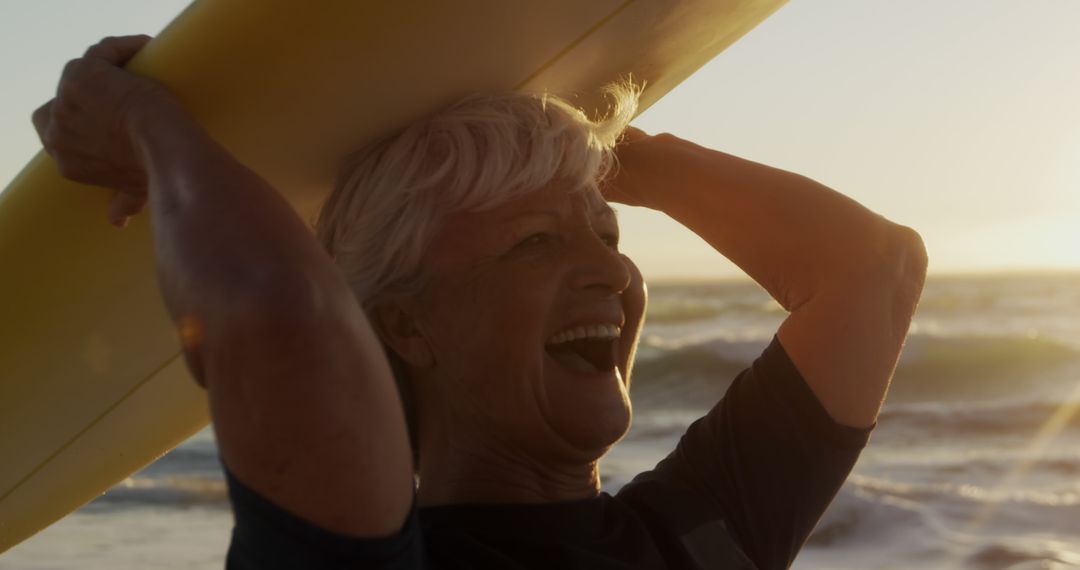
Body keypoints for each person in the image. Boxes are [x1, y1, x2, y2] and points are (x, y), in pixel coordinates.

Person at [34, 35, 928, 569]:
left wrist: (593, 150)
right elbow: (281, 319)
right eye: (535, 243)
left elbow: (874, 268)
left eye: (610, 239)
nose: (614, 275)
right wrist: (142, 131)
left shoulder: (693, 536)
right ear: (405, 323)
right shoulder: (356, 555)